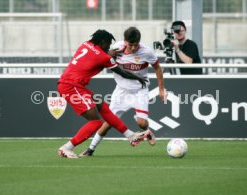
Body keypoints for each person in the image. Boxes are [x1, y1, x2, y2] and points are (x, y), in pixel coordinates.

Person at [57, 29, 155, 159]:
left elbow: (97, 54)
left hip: (74, 85)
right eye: (108, 44)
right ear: (102, 42)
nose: (109, 47)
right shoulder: (103, 57)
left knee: (104, 108)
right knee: (96, 122)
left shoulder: (86, 44)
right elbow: (122, 72)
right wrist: (138, 78)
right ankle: (67, 147)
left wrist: (109, 53)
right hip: (71, 86)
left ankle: (130, 136)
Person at [79, 27, 166, 157]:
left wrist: (161, 89)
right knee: (108, 124)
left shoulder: (146, 52)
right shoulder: (117, 48)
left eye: (136, 45)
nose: (133, 48)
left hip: (139, 91)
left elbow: (157, 68)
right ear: (124, 41)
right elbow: (103, 58)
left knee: (141, 123)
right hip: (121, 92)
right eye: (130, 45)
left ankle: (147, 130)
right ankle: (90, 149)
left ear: (139, 42)